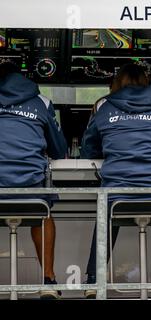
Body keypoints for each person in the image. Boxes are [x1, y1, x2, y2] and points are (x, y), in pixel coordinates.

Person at [81, 63, 151, 298]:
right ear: (146, 82)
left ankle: (93, 281)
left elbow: (88, 150)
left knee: (108, 210)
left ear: (116, 83)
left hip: (117, 191)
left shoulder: (103, 106)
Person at [0, 62, 67, 299]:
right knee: (44, 212)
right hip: (30, 192)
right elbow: (60, 150)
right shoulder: (42, 102)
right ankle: (48, 279)